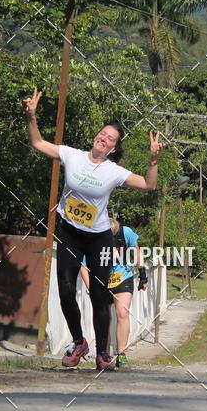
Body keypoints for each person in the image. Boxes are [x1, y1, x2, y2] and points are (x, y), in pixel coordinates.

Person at [24, 88, 161, 370]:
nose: (104, 138)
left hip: (99, 240)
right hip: (70, 234)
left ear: (113, 148)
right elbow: (37, 142)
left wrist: (153, 161)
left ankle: (102, 352)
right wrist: (31, 115)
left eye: (110, 138)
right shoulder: (71, 155)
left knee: (99, 297)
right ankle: (78, 342)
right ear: (96, 136)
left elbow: (149, 185)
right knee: (64, 290)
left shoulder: (113, 171)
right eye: (103, 133)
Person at [79, 218, 148, 369]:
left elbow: (137, 252)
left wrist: (143, 275)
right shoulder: (92, 238)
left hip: (123, 278)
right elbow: (82, 265)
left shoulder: (125, 233)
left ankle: (121, 354)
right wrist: (91, 287)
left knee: (122, 313)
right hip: (101, 282)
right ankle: (104, 355)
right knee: (105, 317)